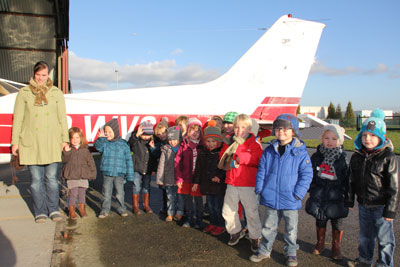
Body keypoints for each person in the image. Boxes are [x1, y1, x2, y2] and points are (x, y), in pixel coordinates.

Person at [251, 113, 313, 267]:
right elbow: (262, 170)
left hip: (290, 199)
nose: (281, 132)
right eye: (278, 128)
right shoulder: (269, 150)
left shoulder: (300, 152)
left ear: (294, 131)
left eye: (286, 129)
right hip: (270, 196)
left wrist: (298, 193)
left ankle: (291, 252)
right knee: (268, 227)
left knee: (291, 229)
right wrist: (260, 188)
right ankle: (265, 249)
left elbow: (306, 175)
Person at [11, 61, 69, 223]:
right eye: (38, 75)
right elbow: (18, 119)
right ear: (33, 74)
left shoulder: (56, 93)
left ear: (48, 75)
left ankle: (53, 209)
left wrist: (65, 139)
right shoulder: (24, 93)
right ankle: (40, 211)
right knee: (36, 181)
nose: (41, 78)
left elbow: (61, 118)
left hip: (51, 141)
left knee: (51, 180)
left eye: (44, 75)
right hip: (31, 142)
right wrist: (15, 142)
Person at [345, 109, 399, 267]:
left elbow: (394, 186)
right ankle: (364, 259)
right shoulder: (357, 156)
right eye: (364, 135)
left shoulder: (387, 157)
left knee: (385, 239)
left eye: (373, 135)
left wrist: (390, 210)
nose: (367, 139)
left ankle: (384, 263)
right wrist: (349, 200)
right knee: (365, 236)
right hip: (364, 205)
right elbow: (351, 180)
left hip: (381, 206)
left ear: (381, 137)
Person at [218, 114, 263, 252]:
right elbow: (222, 156)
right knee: (227, 210)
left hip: (247, 184)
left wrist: (238, 157)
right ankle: (235, 231)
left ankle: (255, 236)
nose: (239, 130)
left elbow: (256, 159)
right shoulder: (230, 142)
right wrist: (226, 159)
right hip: (232, 182)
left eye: (243, 127)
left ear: (249, 128)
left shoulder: (254, 144)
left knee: (251, 212)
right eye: (237, 127)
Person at [305, 124, 349, 260]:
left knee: (337, 221)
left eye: (334, 139)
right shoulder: (316, 157)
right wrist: (312, 188)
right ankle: (320, 242)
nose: (330, 141)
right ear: (321, 139)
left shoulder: (342, 159)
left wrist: (348, 196)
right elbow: (310, 173)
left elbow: (348, 179)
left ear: (340, 141)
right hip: (320, 194)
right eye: (326, 138)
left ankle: (336, 246)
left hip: (336, 196)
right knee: (320, 218)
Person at [94, 118, 134, 218]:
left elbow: (128, 160)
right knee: (106, 194)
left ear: (115, 131)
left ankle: (121, 209)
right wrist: (101, 138)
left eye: (110, 131)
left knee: (120, 194)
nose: (107, 134)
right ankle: (104, 210)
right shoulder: (104, 143)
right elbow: (98, 147)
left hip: (119, 174)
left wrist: (130, 175)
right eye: (106, 132)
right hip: (107, 172)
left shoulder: (123, 144)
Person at [193, 120, 226, 235]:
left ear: (218, 142)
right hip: (207, 184)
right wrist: (196, 181)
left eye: (213, 141)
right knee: (210, 206)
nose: (210, 143)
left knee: (218, 206)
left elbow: (224, 167)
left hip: (218, 186)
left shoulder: (221, 153)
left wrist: (219, 176)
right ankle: (213, 223)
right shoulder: (203, 153)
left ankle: (220, 224)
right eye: (208, 141)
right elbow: (198, 168)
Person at [175, 118, 204, 228]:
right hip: (186, 177)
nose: (195, 133)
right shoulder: (183, 145)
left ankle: (199, 219)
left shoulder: (202, 146)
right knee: (187, 200)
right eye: (192, 130)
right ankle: (189, 218)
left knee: (198, 200)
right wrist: (179, 178)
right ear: (187, 131)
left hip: (197, 179)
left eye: (197, 131)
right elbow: (177, 162)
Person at [62, 127, 97, 219]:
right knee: (73, 193)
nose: (75, 140)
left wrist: (93, 172)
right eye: (73, 138)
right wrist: (66, 151)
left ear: (81, 138)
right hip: (72, 175)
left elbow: (90, 161)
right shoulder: (68, 149)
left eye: (77, 137)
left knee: (82, 193)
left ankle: (82, 209)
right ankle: (72, 210)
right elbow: (64, 160)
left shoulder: (85, 149)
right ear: (69, 139)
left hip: (83, 175)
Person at [128, 120, 157, 214]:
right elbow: (129, 144)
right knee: (136, 186)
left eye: (148, 135)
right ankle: (135, 206)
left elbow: (154, 157)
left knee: (146, 187)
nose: (146, 137)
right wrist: (136, 135)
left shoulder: (152, 142)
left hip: (148, 169)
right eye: (144, 134)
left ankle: (146, 205)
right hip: (137, 168)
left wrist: (154, 169)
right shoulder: (135, 140)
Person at [156, 126, 181, 221]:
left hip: (179, 179)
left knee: (180, 197)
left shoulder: (182, 148)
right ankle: (170, 213)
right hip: (168, 178)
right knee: (170, 197)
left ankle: (180, 212)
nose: (172, 142)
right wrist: (159, 179)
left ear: (179, 139)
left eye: (175, 139)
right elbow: (161, 165)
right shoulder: (165, 149)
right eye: (170, 139)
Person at [154, 120, 170, 214]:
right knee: (163, 191)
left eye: (163, 133)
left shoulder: (171, 141)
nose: (162, 135)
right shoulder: (158, 143)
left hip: (170, 169)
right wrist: (154, 149)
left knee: (171, 191)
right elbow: (156, 155)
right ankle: (165, 207)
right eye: (159, 134)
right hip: (162, 170)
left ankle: (172, 208)